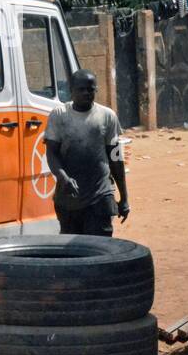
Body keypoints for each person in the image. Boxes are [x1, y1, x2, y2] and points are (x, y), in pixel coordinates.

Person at [43, 68, 129, 236]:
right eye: (81, 89)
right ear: (71, 90)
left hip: (101, 195)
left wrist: (124, 197)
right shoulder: (59, 116)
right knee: (73, 255)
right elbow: (51, 154)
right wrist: (64, 178)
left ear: (96, 89)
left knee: (100, 248)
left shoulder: (108, 116)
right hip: (68, 199)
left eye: (90, 89)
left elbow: (116, 158)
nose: (86, 93)